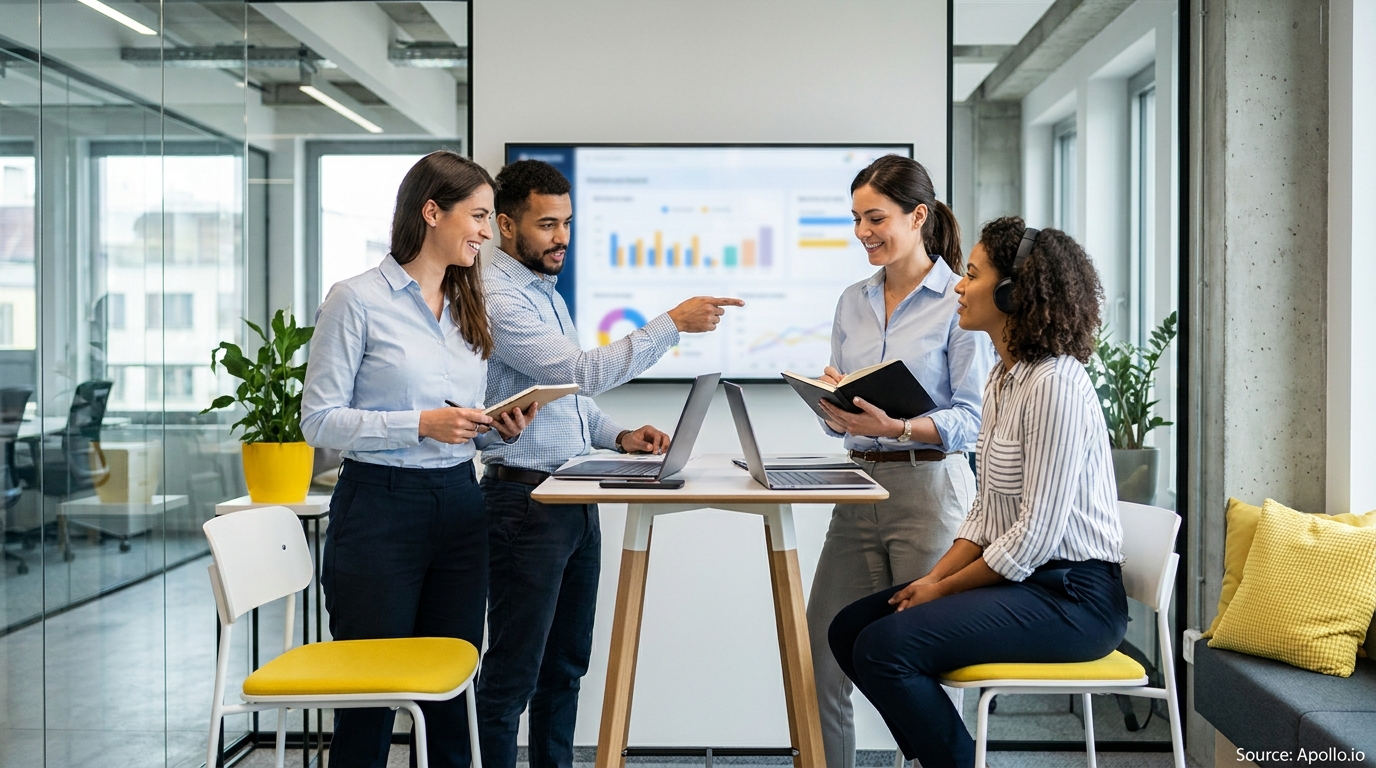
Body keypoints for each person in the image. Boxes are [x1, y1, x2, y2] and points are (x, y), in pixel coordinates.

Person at [827, 217, 1128, 768]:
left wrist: (940, 592)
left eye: (972, 275)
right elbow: (986, 514)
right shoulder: (1003, 380)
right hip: (1027, 582)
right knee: (851, 629)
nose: (959, 287)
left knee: (884, 648)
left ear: (1015, 293)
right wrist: (933, 579)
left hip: (1074, 599)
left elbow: (1033, 537)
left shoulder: (1056, 384)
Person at [476, 159, 744, 768]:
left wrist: (620, 436)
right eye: (547, 225)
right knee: (513, 675)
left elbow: (569, 399)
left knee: (565, 668)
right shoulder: (499, 298)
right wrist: (672, 324)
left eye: (567, 223)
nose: (561, 238)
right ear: (504, 227)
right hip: (525, 505)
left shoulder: (544, 294)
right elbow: (582, 372)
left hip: (569, 499)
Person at [301, 151, 535, 768]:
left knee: (452, 691)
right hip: (379, 510)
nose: (487, 232)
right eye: (479, 216)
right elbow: (318, 421)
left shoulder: (469, 306)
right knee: (371, 696)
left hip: (460, 505)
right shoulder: (355, 299)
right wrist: (421, 424)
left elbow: (462, 423)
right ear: (432, 212)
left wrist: (494, 428)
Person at [806, 154, 993, 768]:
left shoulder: (960, 302)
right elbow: (849, 405)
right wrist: (833, 404)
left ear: (917, 217)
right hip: (859, 489)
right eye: (856, 218)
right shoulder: (851, 301)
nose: (863, 232)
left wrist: (902, 425)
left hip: (931, 491)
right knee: (821, 652)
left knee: (924, 666)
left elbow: (975, 418)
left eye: (875, 217)